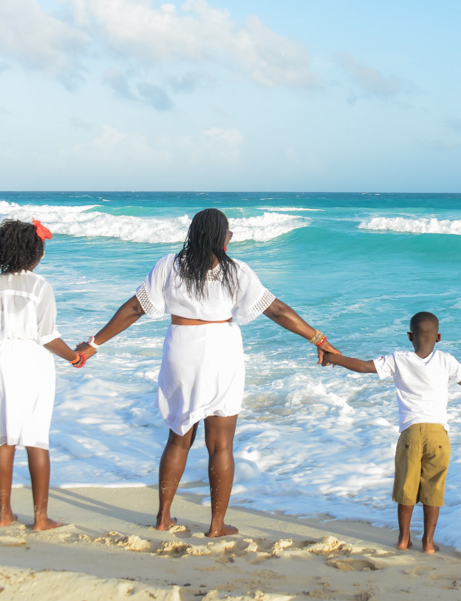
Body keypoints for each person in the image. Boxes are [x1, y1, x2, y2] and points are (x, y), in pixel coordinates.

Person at [76, 208, 340, 538]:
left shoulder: (169, 265)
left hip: (181, 349)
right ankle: (216, 525)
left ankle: (163, 517)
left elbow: (133, 308)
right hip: (221, 352)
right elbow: (277, 310)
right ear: (222, 237)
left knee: (178, 437)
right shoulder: (237, 271)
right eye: (228, 234)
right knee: (221, 445)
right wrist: (319, 338)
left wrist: (93, 344)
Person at [321, 311, 461, 554]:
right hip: (439, 435)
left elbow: (364, 367)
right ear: (438, 337)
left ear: (409, 336)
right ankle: (428, 543)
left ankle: (404, 539)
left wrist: (333, 357)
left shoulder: (399, 359)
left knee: (406, 489)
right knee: (433, 490)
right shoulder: (447, 360)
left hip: (411, 433)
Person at [0, 219, 87, 531]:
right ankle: (40, 517)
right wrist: (76, 356)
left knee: (2, 439)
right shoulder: (40, 286)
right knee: (36, 438)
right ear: (34, 252)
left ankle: (4, 514)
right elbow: (47, 336)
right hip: (32, 360)